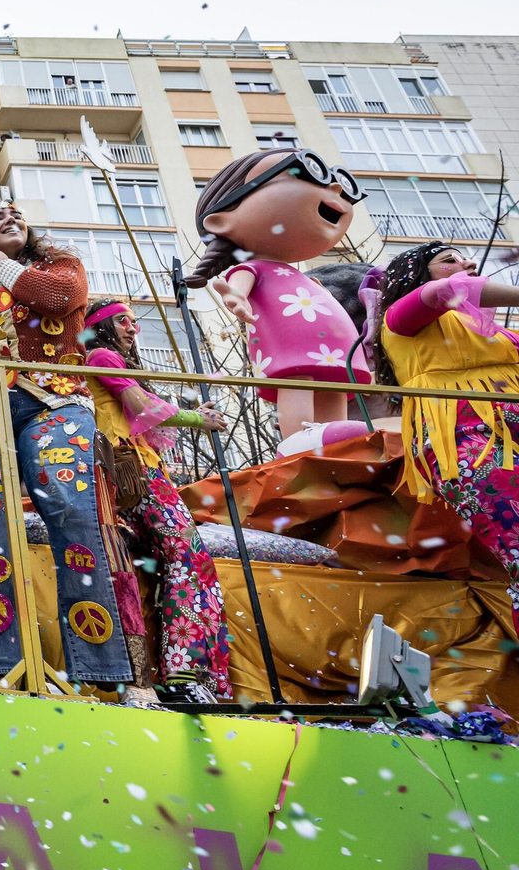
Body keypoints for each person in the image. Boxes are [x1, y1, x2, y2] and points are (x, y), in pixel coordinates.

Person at [0, 203, 134, 687]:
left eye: (16, 213)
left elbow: (61, 301)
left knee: (69, 509)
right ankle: (8, 667)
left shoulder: (61, 268)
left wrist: (2, 267)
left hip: (55, 400)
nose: (9, 216)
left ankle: (99, 668)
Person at [81, 299, 232, 704]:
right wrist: (198, 419)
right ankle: (185, 673)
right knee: (188, 557)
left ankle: (186, 672)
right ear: (102, 328)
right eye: (123, 321)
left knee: (178, 560)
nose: (133, 328)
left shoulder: (107, 357)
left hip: (134, 470)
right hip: (137, 472)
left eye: (133, 321)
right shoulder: (101, 355)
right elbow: (141, 408)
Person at [373, 242, 519, 633]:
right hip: (468, 443)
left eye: (466, 258)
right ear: (414, 275)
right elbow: (443, 293)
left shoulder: (499, 335)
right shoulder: (400, 317)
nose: (466, 263)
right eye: (449, 259)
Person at [183, 149, 371, 442]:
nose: (335, 189)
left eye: (341, 183)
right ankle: (298, 439)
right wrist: (235, 297)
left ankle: (338, 438)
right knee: (296, 380)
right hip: (290, 344)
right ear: (221, 221)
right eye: (304, 173)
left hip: (335, 347)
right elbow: (237, 288)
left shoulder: (304, 277)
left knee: (336, 385)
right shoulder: (253, 268)